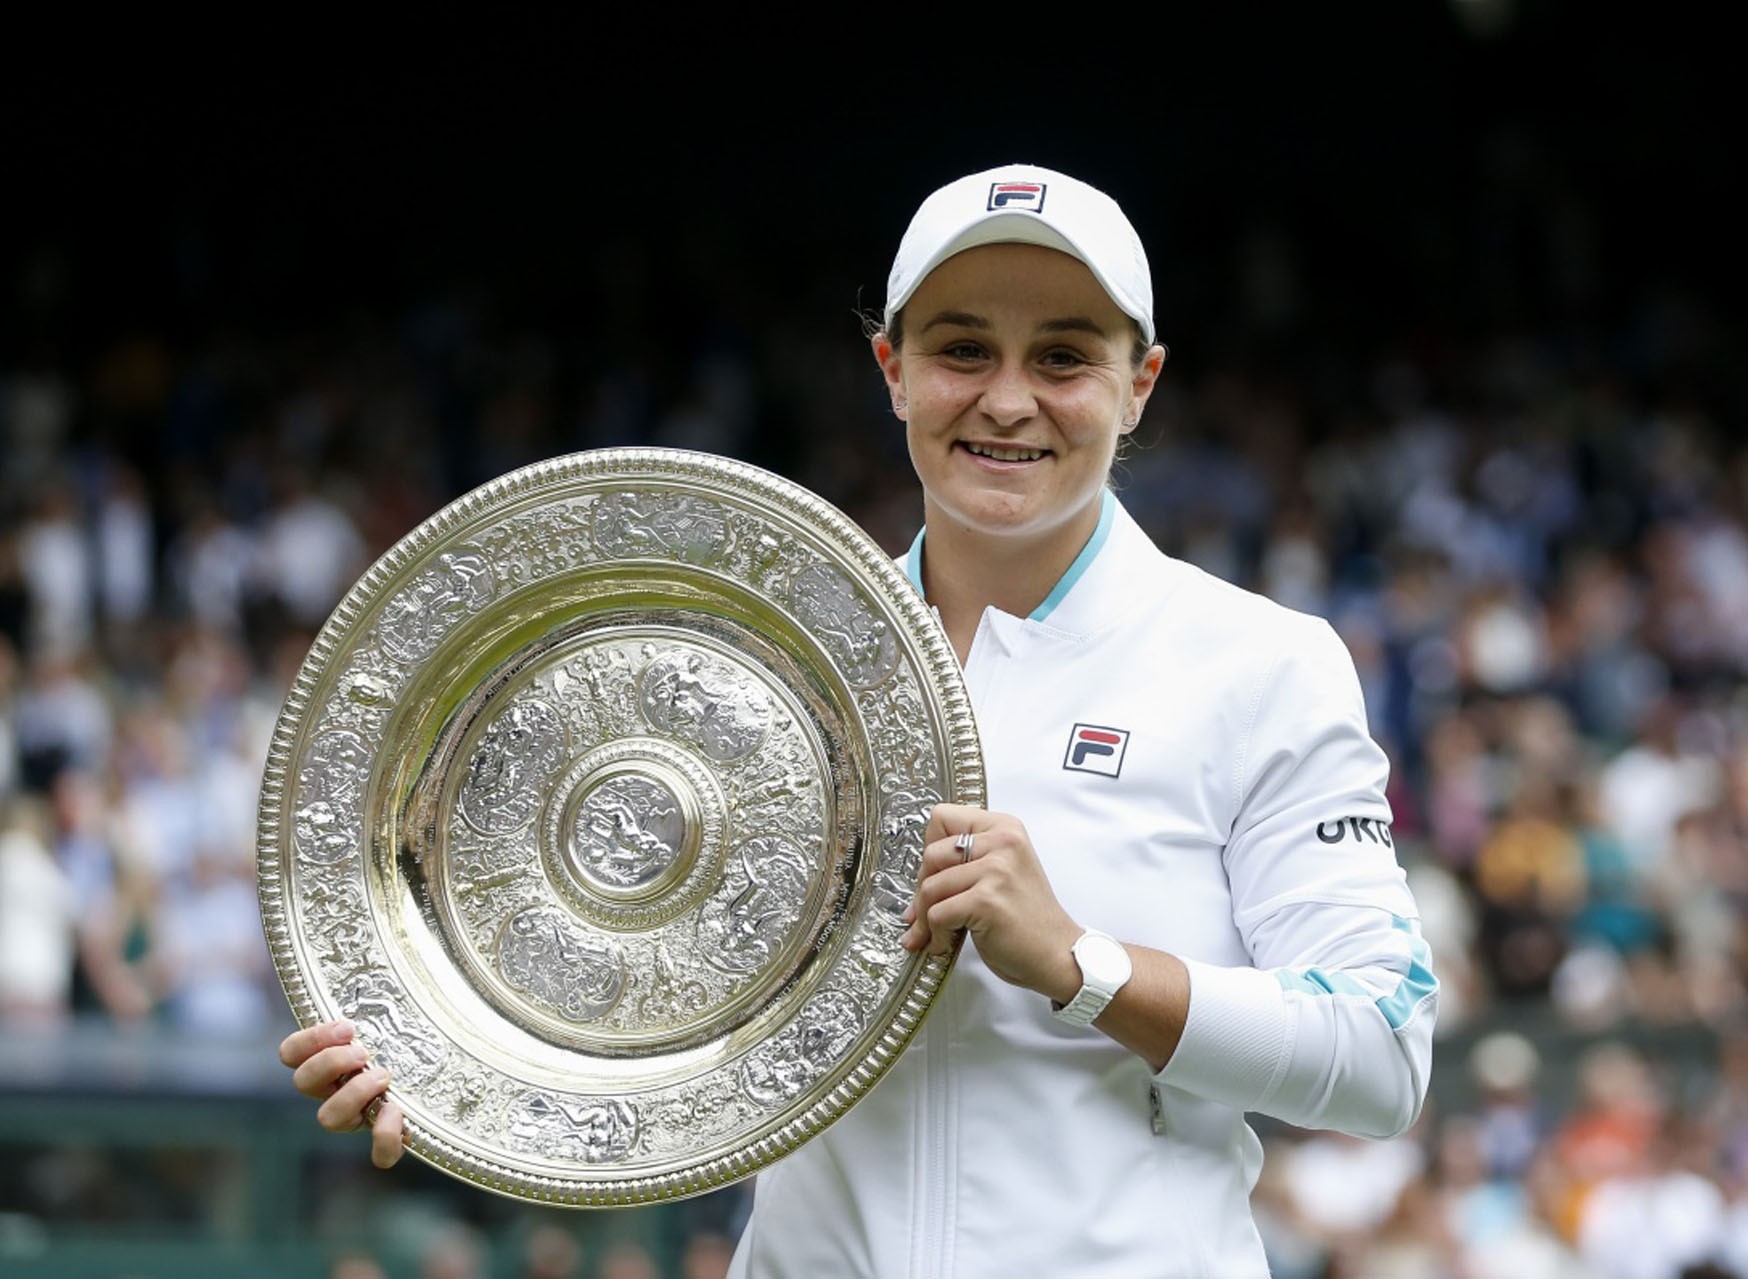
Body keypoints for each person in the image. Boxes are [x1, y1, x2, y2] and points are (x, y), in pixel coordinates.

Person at [280, 162, 1436, 1277]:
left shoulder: (1261, 664)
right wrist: (444, 1071)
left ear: (1141, 386)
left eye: (1066, 358)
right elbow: (651, 1010)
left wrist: (1080, 963)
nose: (1008, 398)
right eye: (962, 348)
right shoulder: (764, 664)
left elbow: (1380, 1051)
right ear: (891, 368)